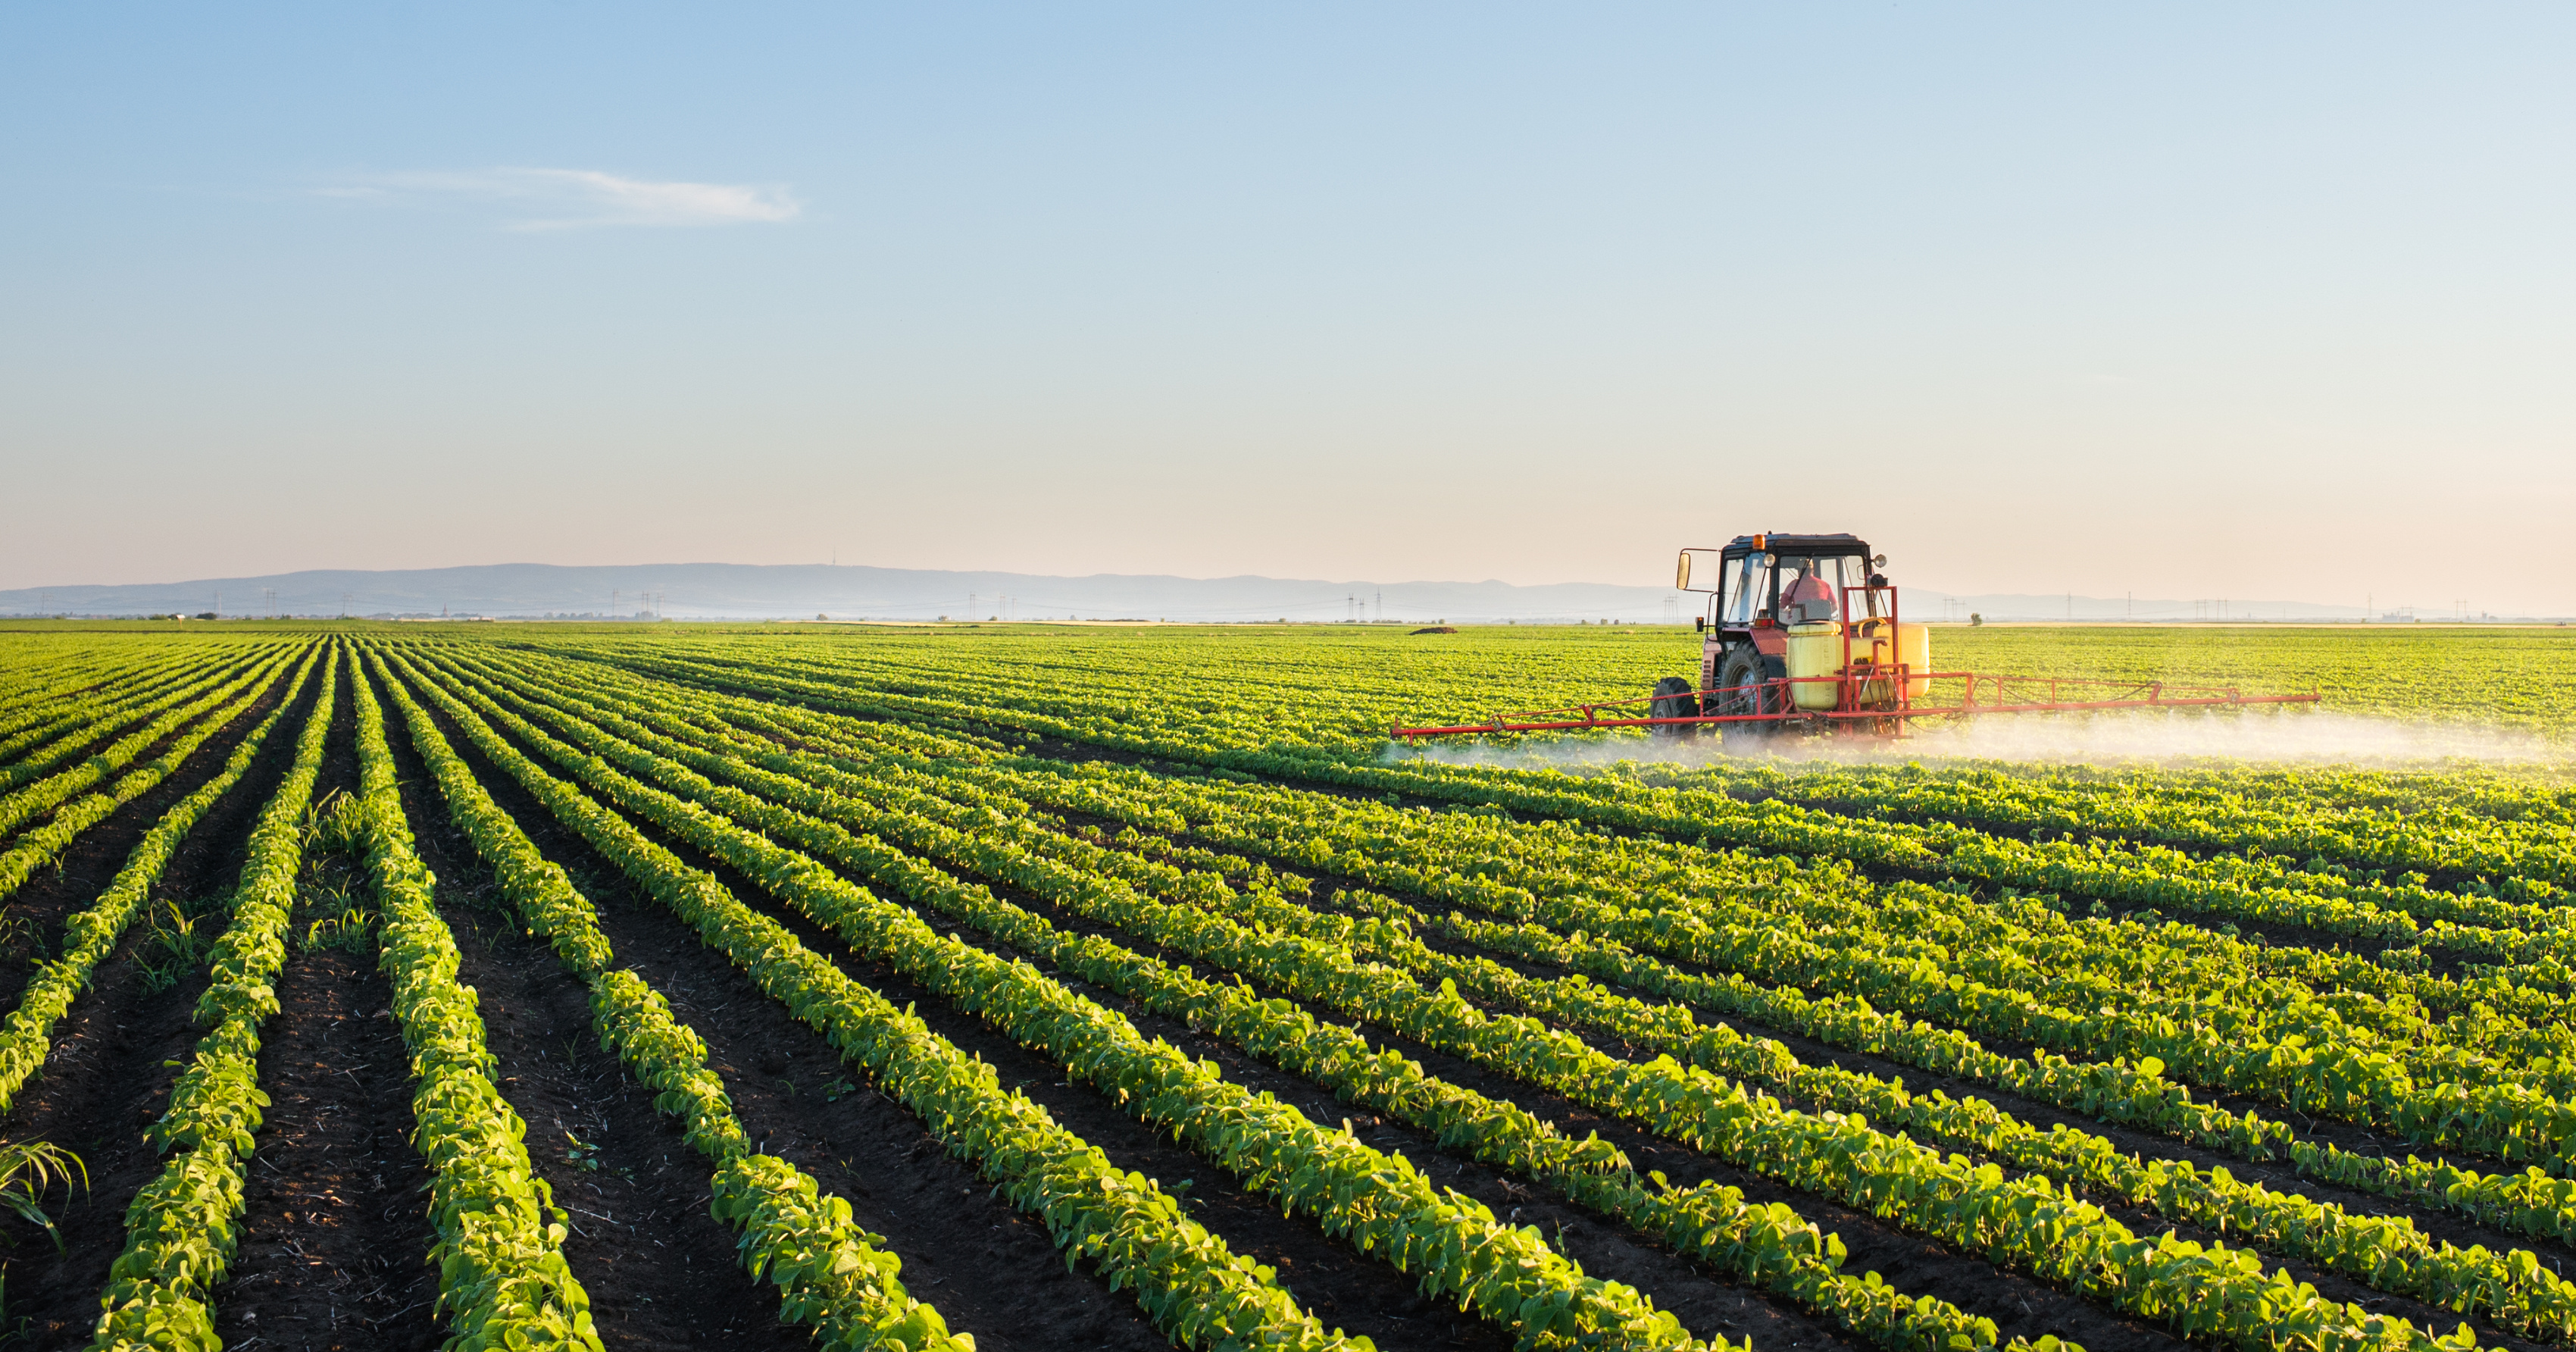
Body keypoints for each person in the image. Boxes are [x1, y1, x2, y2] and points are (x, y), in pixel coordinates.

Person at [1780, 560, 1838, 624]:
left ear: (1799, 571)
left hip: (1799, 625)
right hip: (1822, 626)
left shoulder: (1793, 585)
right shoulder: (1825, 585)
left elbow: (1781, 606)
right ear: (1812, 570)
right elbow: (1835, 607)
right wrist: (1820, 615)